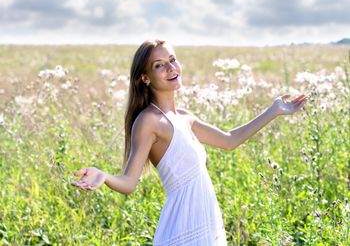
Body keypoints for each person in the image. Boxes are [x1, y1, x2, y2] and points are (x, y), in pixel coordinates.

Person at [71, 39, 307, 245]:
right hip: (182, 227)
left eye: (172, 60)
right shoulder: (148, 121)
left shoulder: (184, 117)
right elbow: (129, 182)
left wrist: (274, 110)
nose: (170, 67)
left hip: (206, 221)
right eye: (159, 65)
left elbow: (229, 140)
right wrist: (104, 176)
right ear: (145, 77)